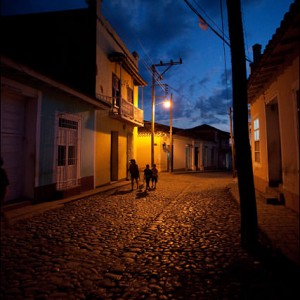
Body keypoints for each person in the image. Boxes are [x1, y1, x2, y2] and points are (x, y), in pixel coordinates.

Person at [0, 157, 9, 226]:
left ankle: (6, 221)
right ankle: (6, 221)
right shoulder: (3, 171)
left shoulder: (2, 171)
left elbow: (6, 183)